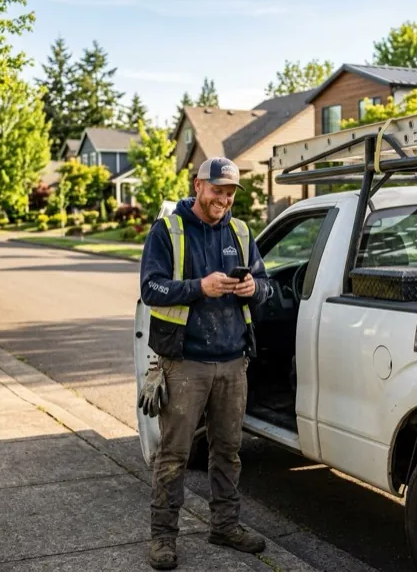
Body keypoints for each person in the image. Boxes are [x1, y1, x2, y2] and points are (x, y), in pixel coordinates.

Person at [138, 157, 270, 570]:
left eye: (230, 193)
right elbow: (151, 287)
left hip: (232, 362)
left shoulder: (241, 230)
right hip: (185, 363)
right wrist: (200, 287)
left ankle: (224, 526)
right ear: (198, 186)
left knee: (229, 451)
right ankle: (163, 538)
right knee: (173, 454)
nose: (224, 199)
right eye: (218, 190)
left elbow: (266, 287)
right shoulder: (168, 230)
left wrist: (252, 288)